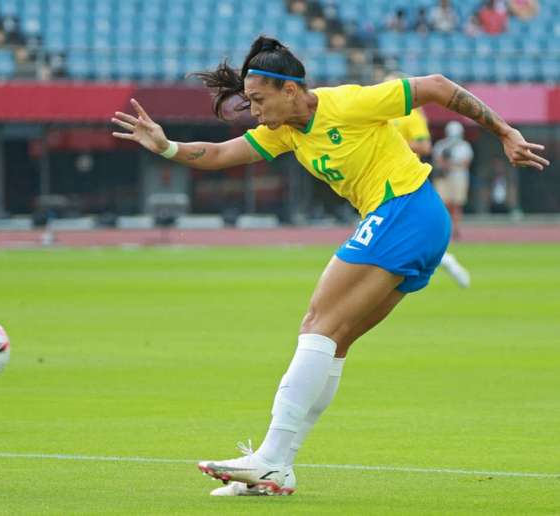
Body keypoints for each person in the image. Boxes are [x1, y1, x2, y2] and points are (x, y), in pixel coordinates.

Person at [111, 36, 548, 496]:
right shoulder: (284, 132)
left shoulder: (349, 103)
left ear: (290, 90)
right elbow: (220, 155)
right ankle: (279, 467)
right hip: (413, 220)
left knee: (317, 324)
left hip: (404, 209)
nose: (254, 110)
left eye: (259, 100)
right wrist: (164, 147)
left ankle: (269, 459)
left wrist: (504, 131)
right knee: (333, 341)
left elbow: (436, 86)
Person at [388, 78, 471, 289]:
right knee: (396, 232)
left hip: (400, 178)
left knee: (394, 230)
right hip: (378, 178)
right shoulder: (379, 115)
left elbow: (425, 146)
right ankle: (441, 258)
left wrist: (394, 143)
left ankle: (441, 257)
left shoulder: (411, 116)